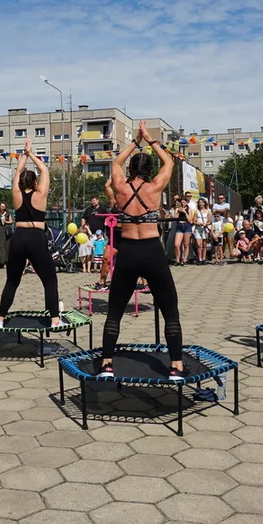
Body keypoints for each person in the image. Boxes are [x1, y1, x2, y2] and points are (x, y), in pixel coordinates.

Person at [98, 121, 184, 380]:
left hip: (127, 252)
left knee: (114, 310)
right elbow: (169, 163)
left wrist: (134, 142)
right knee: (169, 309)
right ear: (148, 171)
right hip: (151, 252)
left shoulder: (121, 188)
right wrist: (149, 140)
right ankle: (176, 366)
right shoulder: (155, 187)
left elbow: (115, 164)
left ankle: (107, 364)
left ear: (131, 169)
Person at [0, 140, 61, 328]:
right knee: (49, 279)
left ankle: (0, 318)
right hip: (36, 237)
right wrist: (31, 154)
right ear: (34, 182)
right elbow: (45, 170)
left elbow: (17, 173)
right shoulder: (41, 195)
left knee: (12, 280)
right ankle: (55, 319)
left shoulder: (16, 193)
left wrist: (23, 156)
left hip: (18, 236)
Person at [171, 198, 192, 266]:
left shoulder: (189, 209)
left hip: (187, 226)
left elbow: (190, 220)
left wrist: (185, 212)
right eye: (182, 202)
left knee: (186, 244)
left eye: (184, 202)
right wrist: (179, 212)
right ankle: (177, 260)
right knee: (177, 244)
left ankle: (185, 260)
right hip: (179, 226)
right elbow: (175, 218)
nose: (183, 203)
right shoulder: (177, 209)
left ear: (186, 203)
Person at [191, 198, 211, 264]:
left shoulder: (208, 211)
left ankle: (204, 258)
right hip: (198, 228)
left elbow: (209, 221)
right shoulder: (197, 211)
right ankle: (199, 258)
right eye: (199, 202)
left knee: (204, 245)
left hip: (204, 229)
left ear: (205, 203)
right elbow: (194, 221)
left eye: (202, 202)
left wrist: (206, 224)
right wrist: (199, 223)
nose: (201, 204)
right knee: (199, 245)